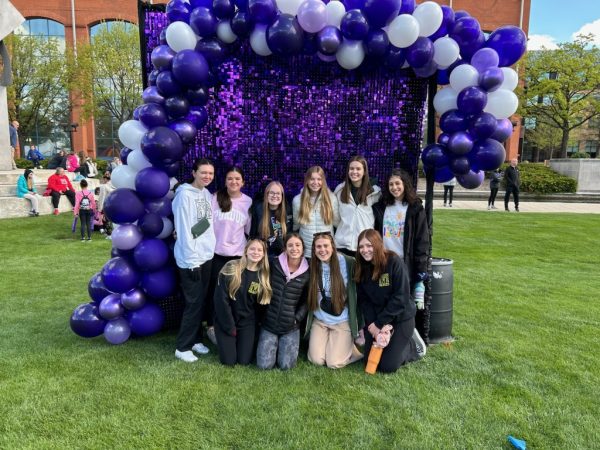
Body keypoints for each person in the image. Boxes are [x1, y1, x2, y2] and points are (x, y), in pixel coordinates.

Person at [355, 229, 425, 373]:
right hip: (377, 319)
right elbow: (364, 301)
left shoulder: (394, 262)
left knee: (388, 366)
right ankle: (393, 342)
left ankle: (411, 345)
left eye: (369, 246)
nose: (365, 250)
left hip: (400, 318)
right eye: (361, 247)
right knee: (370, 361)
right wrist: (374, 326)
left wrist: (382, 323)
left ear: (378, 244)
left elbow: (401, 297)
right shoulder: (361, 267)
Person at [373, 169, 430, 343]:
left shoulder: (415, 208)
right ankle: (387, 335)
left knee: (406, 301)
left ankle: (410, 338)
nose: (394, 187)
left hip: (405, 263)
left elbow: (422, 241)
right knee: (387, 298)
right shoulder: (382, 207)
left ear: (405, 184)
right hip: (385, 262)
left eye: (398, 183)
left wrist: (420, 271)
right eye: (391, 184)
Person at [172, 158, 216, 363]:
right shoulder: (184, 196)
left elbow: (203, 225)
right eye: (203, 172)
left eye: (210, 173)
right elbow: (183, 229)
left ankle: (196, 339)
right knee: (193, 303)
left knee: (201, 301)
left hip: (206, 256)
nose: (207, 176)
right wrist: (192, 261)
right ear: (194, 172)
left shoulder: (206, 193)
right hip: (191, 259)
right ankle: (183, 346)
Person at [206, 167, 252, 345]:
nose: (234, 182)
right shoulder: (215, 198)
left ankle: (233, 328)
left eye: (237, 179)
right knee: (215, 294)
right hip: (216, 254)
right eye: (230, 178)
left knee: (234, 294)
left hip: (237, 257)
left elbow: (248, 231)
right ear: (225, 181)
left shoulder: (247, 202)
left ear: (243, 182)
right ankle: (211, 327)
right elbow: (204, 224)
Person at [305, 232, 363, 369]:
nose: (322, 250)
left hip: (341, 320)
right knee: (316, 360)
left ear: (333, 247)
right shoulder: (312, 265)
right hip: (320, 320)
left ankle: (352, 350)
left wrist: (360, 325)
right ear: (314, 250)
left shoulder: (348, 263)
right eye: (318, 247)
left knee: (333, 363)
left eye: (326, 246)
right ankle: (333, 345)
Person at [214, 239, 272, 366]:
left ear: (263, 254)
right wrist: (229, 327)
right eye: (252, 249)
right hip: (227, 320)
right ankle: (214, 333)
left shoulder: (263, 276)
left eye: (259, 250)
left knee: (244, 361)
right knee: (229, 361)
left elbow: (259, 307)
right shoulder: (232, 267)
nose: (255, 252)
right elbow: (221, 300)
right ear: (246, 251)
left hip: (246, 322)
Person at [257, 232, 309, 370]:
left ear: (303, 248)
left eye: (298, 245)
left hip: (290, 325)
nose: (294, 248)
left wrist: (297, 318)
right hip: (270, 323)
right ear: (285, 248)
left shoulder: (308, 271)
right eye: (290, 245)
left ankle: (283, 346)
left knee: (287, 366)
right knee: (264, 366)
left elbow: (308, 300)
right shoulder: (274, 264)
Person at [333, 156, 381, 256]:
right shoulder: (340, 190)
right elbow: (336, 217)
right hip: (342, 245)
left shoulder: (375, 192)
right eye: (351, 169)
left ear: (364, 172)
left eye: (358, 169)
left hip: (365, 246)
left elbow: (379, 218)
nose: (354, 172)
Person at [292, 166, 339, 258]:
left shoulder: (331, 199)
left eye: (319, 179)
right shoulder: (297, 200)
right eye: (312, 179)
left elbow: (337, 223)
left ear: (323, 181)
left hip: (326, 250)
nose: (315, 182)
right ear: (307, 181)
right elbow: (296, 225)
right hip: (306, 251)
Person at [250, 181, 293, 257]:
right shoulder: (258, 209)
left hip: (281, 256)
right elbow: (253, 235)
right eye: (271, 193)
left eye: (278, 193)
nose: (274, 196)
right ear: (266, 194)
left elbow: (289, 234)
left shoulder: (287, 210)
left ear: (282, 196)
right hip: (261, 255)